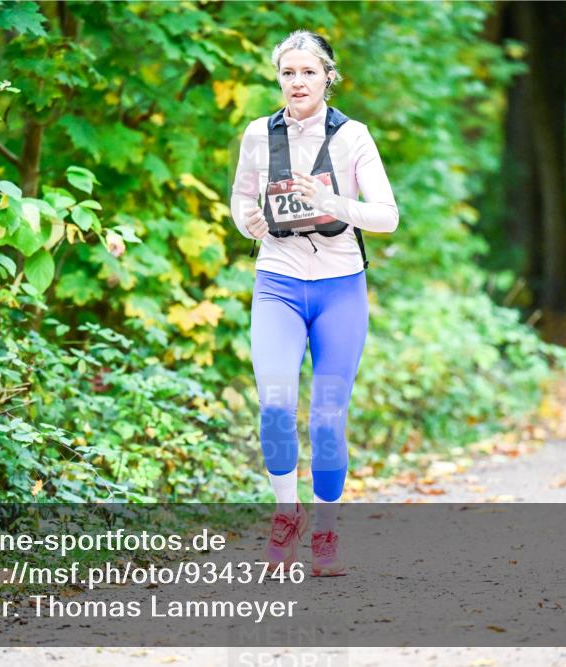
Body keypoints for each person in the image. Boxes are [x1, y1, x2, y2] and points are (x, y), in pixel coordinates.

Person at [230, 30, 399, 576]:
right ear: (278, 78)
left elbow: (388, 215)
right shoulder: (259, 134)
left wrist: (331, 202)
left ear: (328, 75)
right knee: (275, 406)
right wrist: (248, 221)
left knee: (327, 418)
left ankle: (325, 529)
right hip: (277, 281)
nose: (297, 82)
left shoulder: (353, 137)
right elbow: (240, 199)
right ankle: (287, 512)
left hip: (339, 285)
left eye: (308, 72)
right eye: (287, 73)